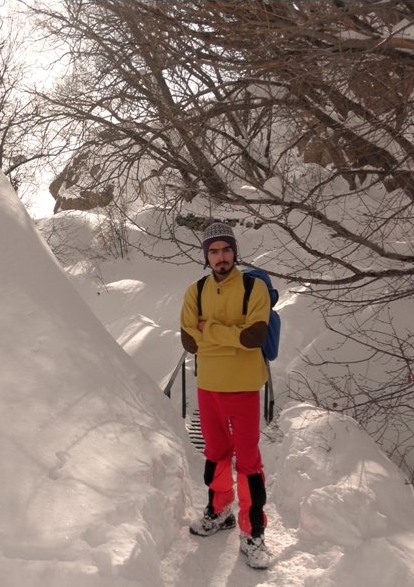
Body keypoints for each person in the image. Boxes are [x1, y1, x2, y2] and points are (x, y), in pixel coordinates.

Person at [179, 220, 272, 570]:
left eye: (226, 249)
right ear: (206, 256)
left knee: (248, 461)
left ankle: (253, 530)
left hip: (245, 386)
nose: (221, 257)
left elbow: (254, 338)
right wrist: (228, 335)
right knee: (216, 453)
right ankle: (220, 511)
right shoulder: (195, 290)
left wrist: (209, 329)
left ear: (235, 252)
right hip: (209, 387)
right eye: (214, 251)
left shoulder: (254, 287)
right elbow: (188, 340)